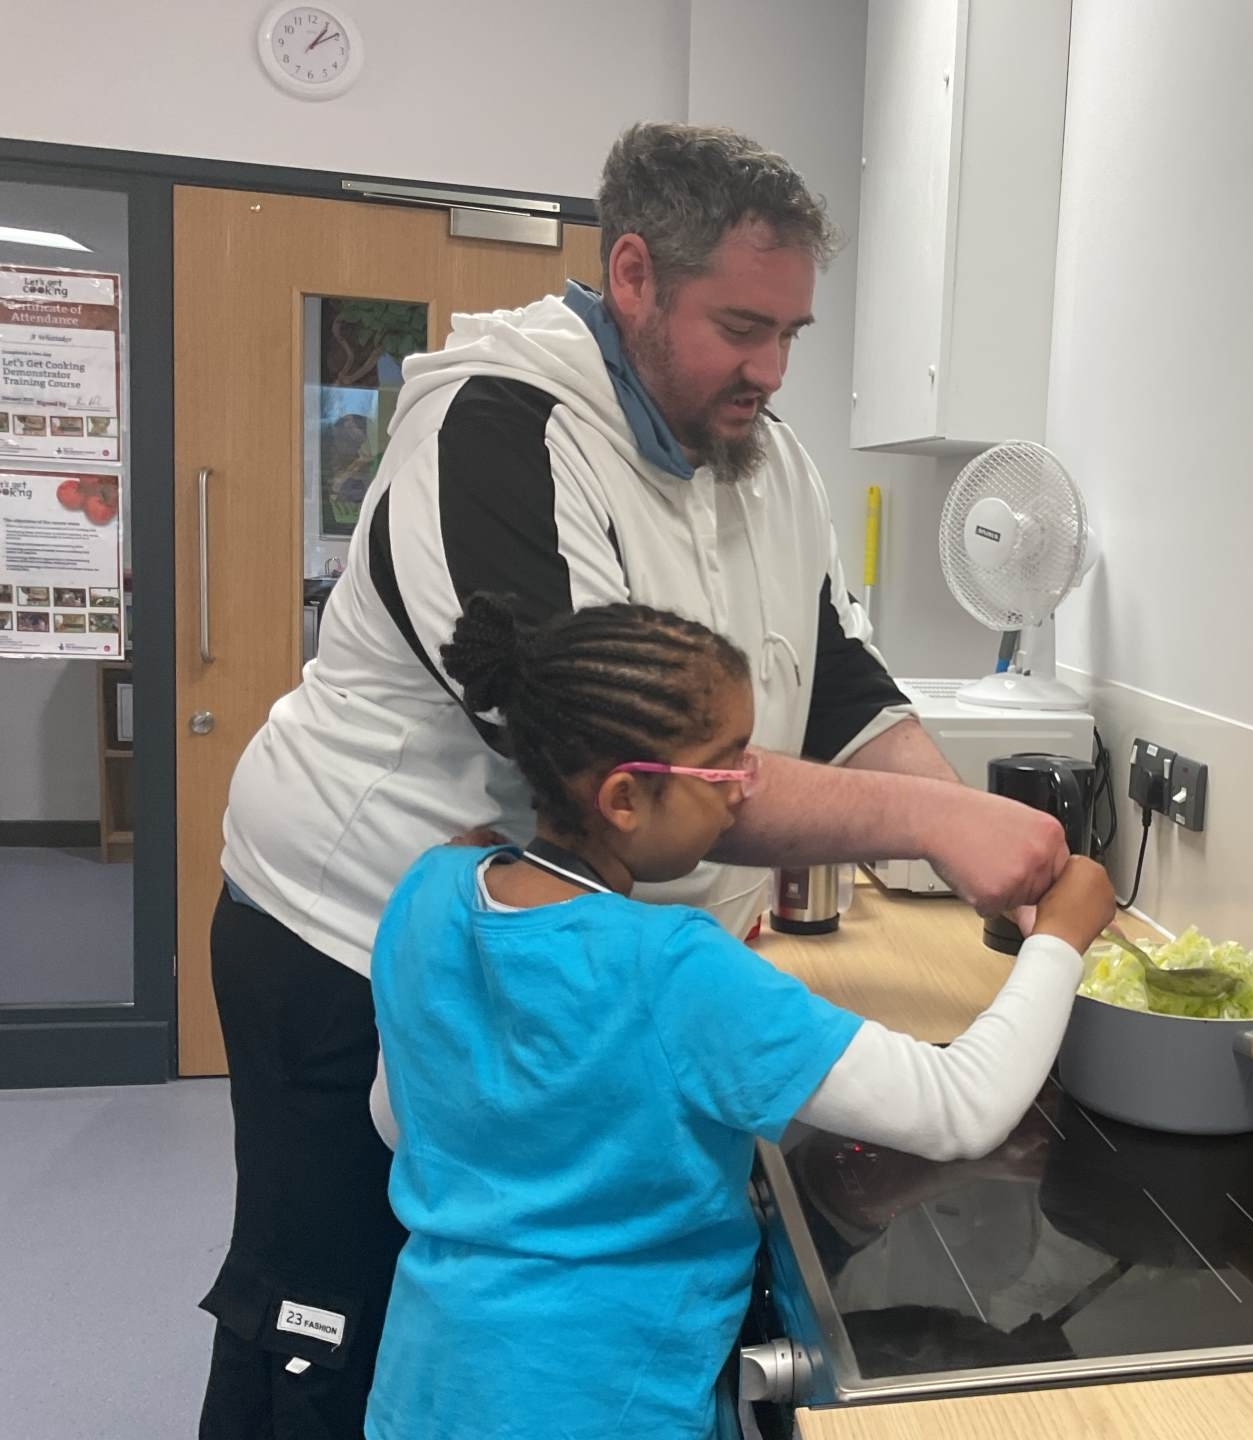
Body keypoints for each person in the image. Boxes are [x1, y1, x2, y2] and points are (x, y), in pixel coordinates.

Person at [199, 122, 1071, 1439]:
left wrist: (971, 824)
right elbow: (627, 762)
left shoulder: (762, 457)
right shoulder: (498, 432)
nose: (771, 369)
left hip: (580, 947)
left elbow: (837, 676)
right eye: (740, 327)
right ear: (633, 276)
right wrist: (938, 821)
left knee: (491, 1300)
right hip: (359, 933)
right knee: (330, 1318)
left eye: (792, 332)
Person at [365, 594, 1115, 1439]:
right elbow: (962, 1108)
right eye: (727, 770)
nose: (745, 794)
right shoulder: (671, 967)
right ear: (623, 798)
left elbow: (397, 1120)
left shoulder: (430, 889)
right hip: (613, 1407)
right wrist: (1060, 938)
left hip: (429, 1390)